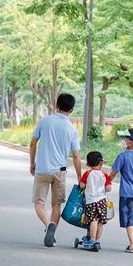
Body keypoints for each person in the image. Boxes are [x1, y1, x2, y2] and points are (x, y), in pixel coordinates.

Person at [30, 93, 82, 247]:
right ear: (71, 110)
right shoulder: (72, 129)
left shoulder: (44, 121)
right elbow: (76, 156)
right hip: (60, 171)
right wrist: (80, 178)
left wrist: (32, 163)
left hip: (43, 169)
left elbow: (33, 144)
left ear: (56, 105)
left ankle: (48, 226)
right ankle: (52, 229)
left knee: (39, 203)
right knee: (56, 205)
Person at [78, 151, 112, 248]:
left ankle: (91, 240)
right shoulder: (104, 175)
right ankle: (97, 240)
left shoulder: (87, 173)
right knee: (100, 221)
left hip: (91, 201)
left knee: (93, 220)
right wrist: (101, 189)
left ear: (88, 164)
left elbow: (82, 185)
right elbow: (109, 188)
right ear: (101, 163)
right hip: (102, 201)